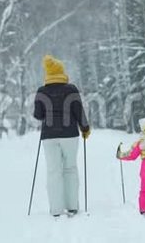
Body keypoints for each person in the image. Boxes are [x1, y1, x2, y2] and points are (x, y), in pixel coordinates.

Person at [33, 55, 90, 217]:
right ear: (61, 72)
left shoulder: (41, 91)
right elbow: (79, 112)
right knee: (70, 168)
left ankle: (56, 210)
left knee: (53, 171)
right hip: (70, 134)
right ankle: (72, 206)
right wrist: (85, 128)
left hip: (49, 136)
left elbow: (38, 115)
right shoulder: (71, 89)